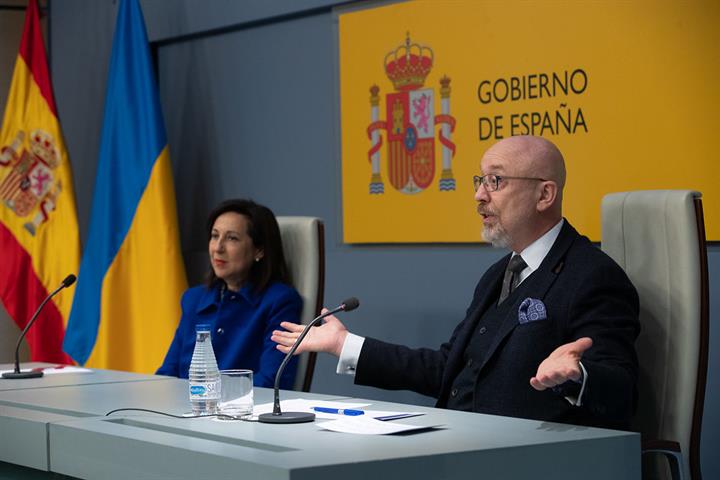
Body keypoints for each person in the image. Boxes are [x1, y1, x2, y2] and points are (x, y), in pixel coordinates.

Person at [273, 135, 640, 429]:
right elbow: (446, 370)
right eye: (480, 180)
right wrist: (344, 344)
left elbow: (621, 389)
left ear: (545, 194)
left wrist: (577, 376)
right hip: (460, 448)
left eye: (495, 181)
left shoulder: (592, 276)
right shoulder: (499, 273)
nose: (479, 194)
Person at [158, 199, 302, 389]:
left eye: (231, 238)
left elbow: (272, 381)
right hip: (185, 410)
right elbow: (168, 373)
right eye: (214, 236)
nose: (218, 248)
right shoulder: (193, 299)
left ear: (259, 250)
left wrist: (206, 396)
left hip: (241, 413)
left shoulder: (280, 301)